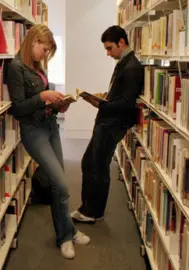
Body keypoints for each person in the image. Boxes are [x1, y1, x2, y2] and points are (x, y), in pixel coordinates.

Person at [6, 24, 90, 259]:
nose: (45, 55)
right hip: (34, 131)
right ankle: (65, 236)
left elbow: (42, 101)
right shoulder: (15, 67)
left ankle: (67, 231)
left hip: (50, 126)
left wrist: (57, 105)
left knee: (57, 184)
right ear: (33, 42)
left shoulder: (36, 66)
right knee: (62, 184)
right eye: (44, 50)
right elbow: (18, 107)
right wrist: (42, 96)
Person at [71, 25, 145, 223]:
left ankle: (93, 211)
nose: (108, 53)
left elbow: (127, 103)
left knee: (98, 167)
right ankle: (88, 207)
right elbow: (120, 95)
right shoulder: (124, 62)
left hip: (112, 125)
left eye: (110, 48)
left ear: (122, 42)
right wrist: (105, 97)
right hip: (107, 121)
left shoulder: (132, 67)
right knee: (90, 163)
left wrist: (102, 104)